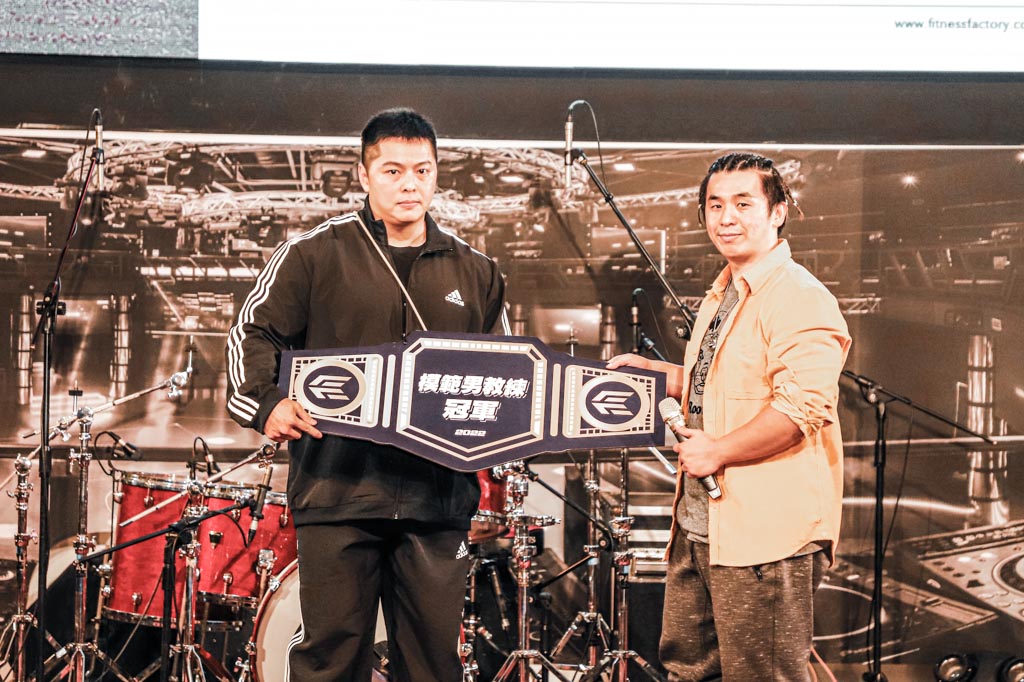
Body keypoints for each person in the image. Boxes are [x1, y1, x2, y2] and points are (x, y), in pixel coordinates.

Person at [226, 108, 509, 681]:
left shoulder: (477, 270)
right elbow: (251, 333)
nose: (410, 184)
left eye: (422, 170)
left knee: (434, 666)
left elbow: (502, 372)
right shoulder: (313, 254)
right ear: (364, 174)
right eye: (392, 170)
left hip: (437, 501)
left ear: (436, 174)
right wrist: (266, 404)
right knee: (330, 660)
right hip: (338, 491)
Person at [608, 152, 851, 681]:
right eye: (715, 205)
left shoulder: (799, 296)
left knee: (763, 674)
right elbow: (726, 384)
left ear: (778, 212)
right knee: (689, 670)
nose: (726, 218)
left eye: (743, 203)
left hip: (765, 535)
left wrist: (717, 450)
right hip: (700, 524)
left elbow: (801, 407)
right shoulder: (725, 292)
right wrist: (661, 374)